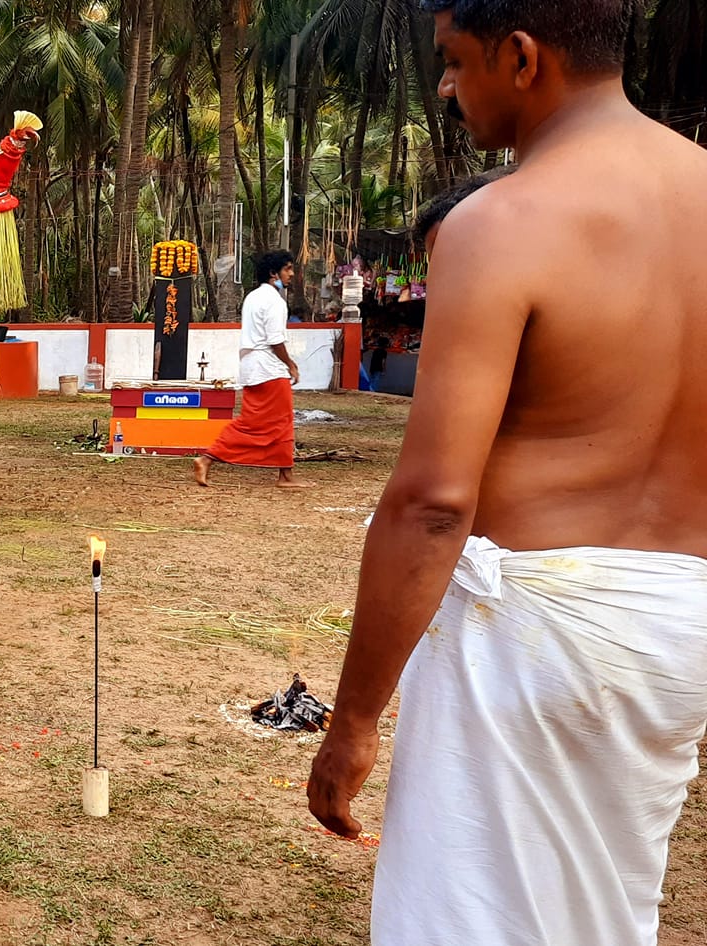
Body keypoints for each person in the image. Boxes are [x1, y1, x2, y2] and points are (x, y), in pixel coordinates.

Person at [305, 4, 707, 944]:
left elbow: (435, 503)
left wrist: (355, 718)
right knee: (604, 910)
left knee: (468, 918)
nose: (446, 87)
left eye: (452, 62)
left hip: (533, 637)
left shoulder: (505, 222)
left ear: (522, 58)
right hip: (680, 622)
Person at [192, 250, 306, 488]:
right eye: (287, 269)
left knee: (274, 422)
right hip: (269, 369)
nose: (291, 274)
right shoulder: (274, 301)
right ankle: (208, 457)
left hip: (252, 366)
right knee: (260, 422)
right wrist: (291, 364)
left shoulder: (253, 297)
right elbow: (275, 339)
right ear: (273, 273)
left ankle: (285, 475)